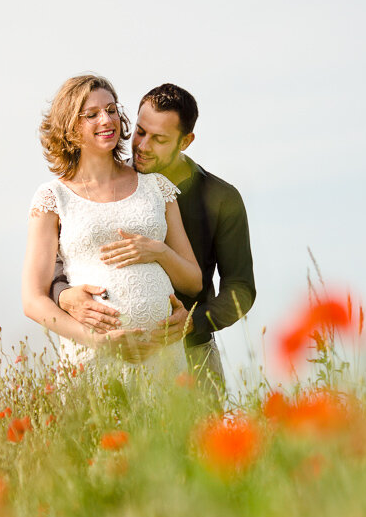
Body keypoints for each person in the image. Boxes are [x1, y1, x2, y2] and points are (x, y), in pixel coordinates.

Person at [53, 83, 254, 392]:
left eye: (159, 139)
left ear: (185, 141)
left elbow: (241, 290)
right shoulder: (111, 183)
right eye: (141, 132)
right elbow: (64, 252)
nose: (143, 147)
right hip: (112, 355)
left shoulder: (221, 198)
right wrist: (63, 294)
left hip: (193, 353)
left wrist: (192, 323)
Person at [22, 74, 202, 373]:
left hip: (163, 357)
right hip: (95, 358)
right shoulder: (53, 198)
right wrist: (97, 340)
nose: (106, 120)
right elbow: (33, 300)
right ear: (70, 127)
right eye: (91, 115)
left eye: (111, 109)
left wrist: (158, 251)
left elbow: (193, 281)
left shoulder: (157, 187)